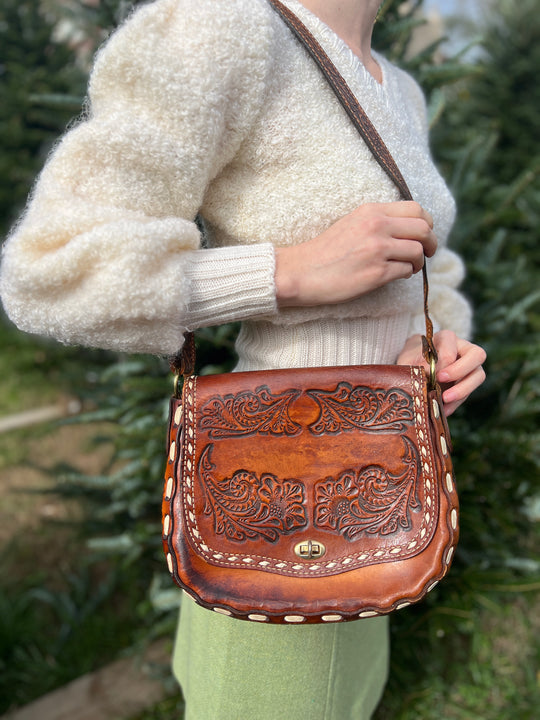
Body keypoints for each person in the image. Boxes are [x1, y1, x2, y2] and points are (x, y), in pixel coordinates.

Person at [0, 0, 486, 717]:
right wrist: (284, 274)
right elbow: (49, 272)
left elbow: (428, 269)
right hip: (276, 496)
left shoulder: (399, 88)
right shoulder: (224, 26)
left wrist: (437, 340)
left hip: (385, 482)